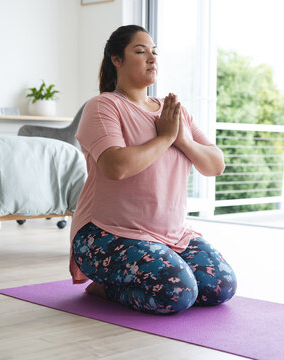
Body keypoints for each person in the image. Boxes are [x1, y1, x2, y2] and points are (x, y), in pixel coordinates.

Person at [69, 25, 237, 315]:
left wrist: (182, 139)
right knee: (178, 293)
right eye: (140, 51)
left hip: (172, 235)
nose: (152, 58)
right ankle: (105, 287)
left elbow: (215, 165)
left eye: (155, 52)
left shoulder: (174, 112)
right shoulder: (102, 106)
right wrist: (164, 139)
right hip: (104, 236)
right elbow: (116, 166)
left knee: (221, 286)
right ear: (116, 59)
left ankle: (161, 265)